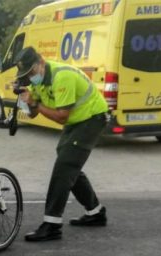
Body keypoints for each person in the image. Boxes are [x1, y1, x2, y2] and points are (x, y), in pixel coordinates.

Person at [14, 47, 109, 242]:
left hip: (93, 117)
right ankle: (95, 212)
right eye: (26, 75)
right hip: (77, 120)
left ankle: (52, 224)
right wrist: (26, 100)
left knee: (65, 166)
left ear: (41, 62)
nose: (30, 77)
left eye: (31, 72)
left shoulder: (62, 76)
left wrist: (36, 104)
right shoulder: (38, 82)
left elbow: (62, 117)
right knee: (68, 161)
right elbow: (32, 115)